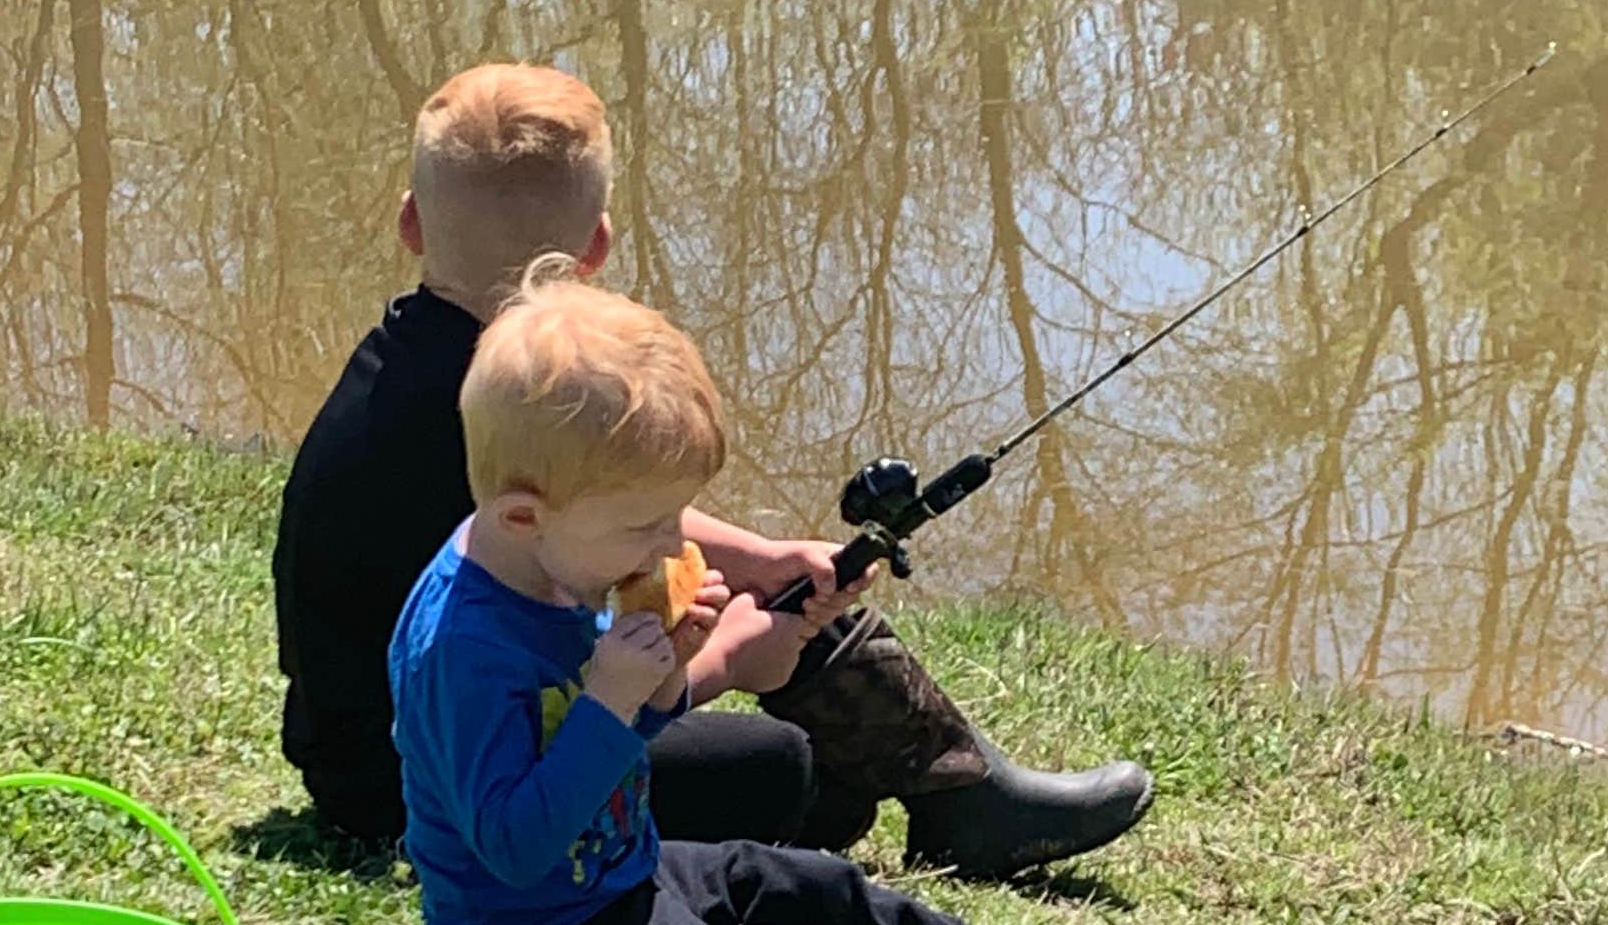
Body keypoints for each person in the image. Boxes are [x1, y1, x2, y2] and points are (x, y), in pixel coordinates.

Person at [275, 63, 1153, 872]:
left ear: (411, 222)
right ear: (597, 247)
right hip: (424, 789)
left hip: (368, 753)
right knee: (784, 771)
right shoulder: (484, 405)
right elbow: (563, 667)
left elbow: (595, 517)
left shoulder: (445, 379)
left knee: (759, 608)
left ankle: (956, 789)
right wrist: (727, 659)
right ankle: (939, 793)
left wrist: (765, 564)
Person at [390, 263, 1158, 925]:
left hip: (624, 867)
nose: (670, 543)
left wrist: (668, 676)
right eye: (644, 525)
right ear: (523, 515)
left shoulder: (558, 557)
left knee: (816, 885)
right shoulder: (465, 648)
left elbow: (629, 731)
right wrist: (612, 702)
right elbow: (513, 848)